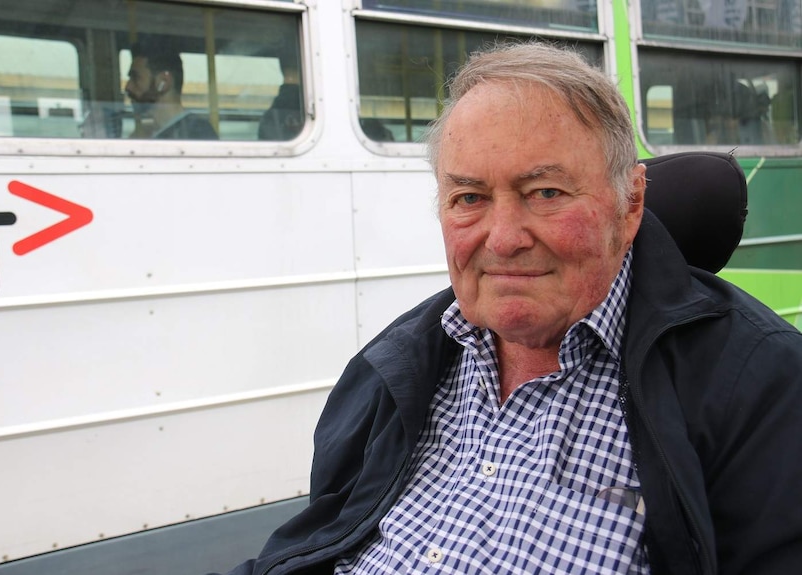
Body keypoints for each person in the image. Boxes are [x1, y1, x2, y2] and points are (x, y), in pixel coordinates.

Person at [227, 42, 802, 574]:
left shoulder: (759, 384)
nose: (502, 239)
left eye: (545, 193)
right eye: (469, 198)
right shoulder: (396, 363)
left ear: (630, 205)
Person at [124, 39, 218, 140]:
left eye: (136, 78)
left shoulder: (198, 133)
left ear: (163, 82)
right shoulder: (148, 133)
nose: (128, 87)